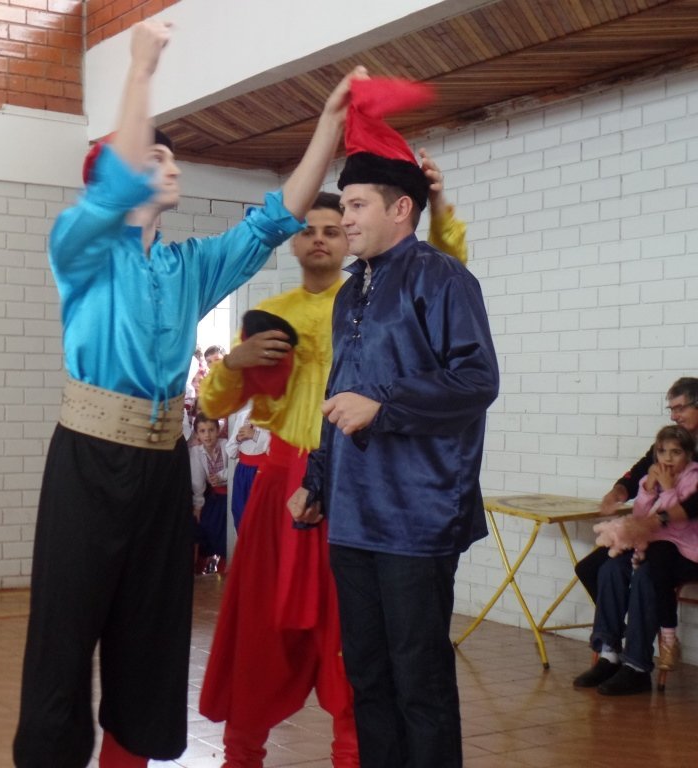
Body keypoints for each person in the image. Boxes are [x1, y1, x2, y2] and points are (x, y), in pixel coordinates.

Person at [12, 20, 360, 768]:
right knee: (65, 634)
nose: (171, 166)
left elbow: (275, 219)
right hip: (87, 462)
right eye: (156, 156)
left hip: (161, 465)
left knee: (150, 636)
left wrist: (328, 127)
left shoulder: (187, 267)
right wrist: (139, 70)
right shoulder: (80, 248)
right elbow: (116, 179)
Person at [199, 162, 468, 766]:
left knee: (360, 651)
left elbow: (446, 278)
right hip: (286, 490)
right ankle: (241, 755)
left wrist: (438, 203)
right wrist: (233, 362)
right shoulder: (277, 312)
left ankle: (357, 755)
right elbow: (216, 406)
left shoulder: (384, 298)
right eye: (311, 228)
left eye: (337, 223)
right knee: (263, 641)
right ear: (293, 242)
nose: (324, 236)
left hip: (364, 487)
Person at [289, 77, 499, 768]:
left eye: (356, 205)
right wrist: (318, 479)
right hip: (353, 516)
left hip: (418, 516)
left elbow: (477, 381)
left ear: (401, 208)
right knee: (368, 677)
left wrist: (385, 406)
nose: (344, 219)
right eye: (343, 204)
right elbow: (338, 393)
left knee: (419, 681)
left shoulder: (442, 277)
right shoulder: (351, 290)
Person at [573, 377, 698, 665]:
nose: (674, 416)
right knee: (592, 568)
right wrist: (618, 492)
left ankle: (640, 658)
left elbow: (693, 505)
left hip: (686, 543)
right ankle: (612, 647)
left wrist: (655, 519)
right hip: (658, 536)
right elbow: (640, 471)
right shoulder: (673, 440)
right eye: (671, 409)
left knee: (645, 576)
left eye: (680, 408)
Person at [191, 412, 229, 574]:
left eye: (211, 430)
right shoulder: (196, 452)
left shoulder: (226, 446)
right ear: (197, 434)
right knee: (206, 529)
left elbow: (235, 468)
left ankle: (225, 569)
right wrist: (198, 505)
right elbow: (197, 482)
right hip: (214, 498)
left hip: (230, 496)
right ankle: (199, 569)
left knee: (228, 535)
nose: (207, 435)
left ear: (218, 430)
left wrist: (222, 477)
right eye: (202, 431)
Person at [224, 402, 270, 532]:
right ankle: (243, 542)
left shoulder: (273, 417)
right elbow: (231, 451)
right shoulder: (243, 416)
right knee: (239, 512)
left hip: (262, 472)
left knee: (260, 516)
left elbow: (274, 448)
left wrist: (254, 435)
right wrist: (238, 439)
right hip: (242, 472)